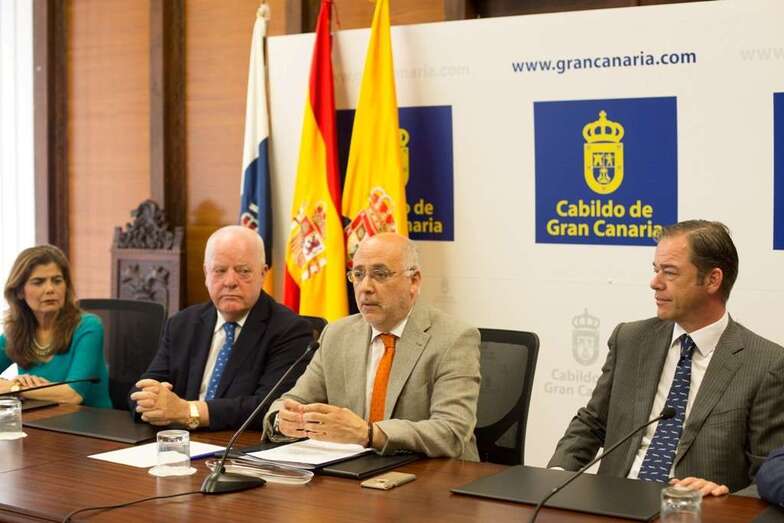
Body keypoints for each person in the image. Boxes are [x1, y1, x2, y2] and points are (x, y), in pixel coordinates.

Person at [548, 220, 784, 495]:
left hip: (692, 509)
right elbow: (592, 423)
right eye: (655, 270)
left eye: (669, 273)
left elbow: (770, 474)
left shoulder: (766, 363)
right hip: (614, 501)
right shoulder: (630, 339)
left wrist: (724, 496)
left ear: (712, 280)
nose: (655, 283)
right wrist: (556, 476)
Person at [263, 233, 481, 460]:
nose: (365, 287)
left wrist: (369, 433)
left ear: (414, 281)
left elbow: (451, 431)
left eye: (380, 274)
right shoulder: (337, 334)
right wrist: (282, 420)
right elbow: (292, 401)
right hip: (354, 469)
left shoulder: (453, 339)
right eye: (358, 274)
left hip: (432, 472)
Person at [130, 226, 313, 431]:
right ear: (206, 274)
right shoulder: (182, 324)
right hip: (177, 440)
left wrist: (188, 411)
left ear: (263, 274)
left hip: (238, 444)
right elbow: (143, 386)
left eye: (243, 271)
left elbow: (269, 406)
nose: (230, 282)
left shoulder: (290, 330)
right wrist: (151, 401)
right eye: (219, 270)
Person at [0, 245, 111, 408]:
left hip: (90, 420)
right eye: (38, 282)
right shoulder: (15, 332)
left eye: (57, 281)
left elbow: (73, 395)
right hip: (39, 418)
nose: (50, 289)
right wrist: (15, 385)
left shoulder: (88, 327)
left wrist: (16, 388)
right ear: (19, 291)